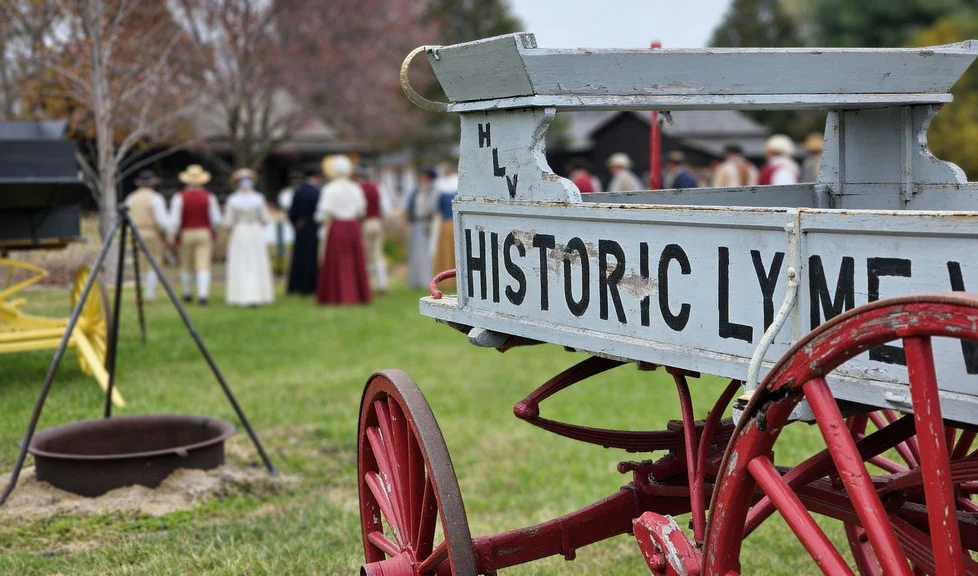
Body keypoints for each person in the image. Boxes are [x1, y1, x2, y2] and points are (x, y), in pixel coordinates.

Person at [314, 155, 370, 305]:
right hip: (352, 225)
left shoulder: (329, 189)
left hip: (337, 226)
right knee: (353, 259)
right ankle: (356, 295)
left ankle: (336, 295)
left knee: (336, 260)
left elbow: (323, 211)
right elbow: (361, 210)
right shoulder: (355, 188)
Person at [170, 164, 221, 305]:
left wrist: (174, 235)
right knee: (203, 264)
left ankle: (187, 293)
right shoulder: (209, 197)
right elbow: (216, 219)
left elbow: (175, 220)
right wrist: (214, 231)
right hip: (204, 231)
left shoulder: (179, 197)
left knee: (186, 264)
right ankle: (203, 294)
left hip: (186, 232)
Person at [224, 168, 274, 307]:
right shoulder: (257, 198)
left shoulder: (234, 200)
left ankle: (246, 295)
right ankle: (250, 295)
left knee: (247, 261)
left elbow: (228, 221)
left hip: (241, 230)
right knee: (249, 261)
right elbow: (265, 218)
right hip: (252, 230)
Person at [125, 170, 170, 301]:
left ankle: (142, 290)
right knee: (154, 261)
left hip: (135, 232)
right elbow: (162, 220)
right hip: (151, 231)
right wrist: (166, 232)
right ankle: (149, 293)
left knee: (140, 262)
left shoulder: (130, 198)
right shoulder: (156, 198)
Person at [286, 165, 322, 295]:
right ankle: (310, 286)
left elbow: (292, 212)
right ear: (316, 177)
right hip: (312, 226)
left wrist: (296, 223)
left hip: (300, 227)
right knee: (311, 257)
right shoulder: (317, 192)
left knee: (298, 257)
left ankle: (296, 285)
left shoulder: (298, 191)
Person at [358, 164, 389, 294]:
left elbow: (358, 209)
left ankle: (368, 284)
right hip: (376, 222)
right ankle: (382, 283)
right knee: (377, 254)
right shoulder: (379, 187)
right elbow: (386, 208)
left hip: (364, 223)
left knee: (365, 255)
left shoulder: (357, 189)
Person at [406, 166, 437, 290]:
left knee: (426, 253)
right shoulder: (416, 190)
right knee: (415, 254)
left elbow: (433, 208)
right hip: (416, 223)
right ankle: (415, 280)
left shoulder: (433, 191)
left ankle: (426, 279)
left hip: (427, 223)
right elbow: (410, 207)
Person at [431, 165, 458, 290]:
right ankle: (452, 282)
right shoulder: (455, 187)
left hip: (446, 223)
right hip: (454, 223)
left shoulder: (440, 188)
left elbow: (437, 209)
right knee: (452, 251)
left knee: (448, 251)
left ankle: (449, 281)